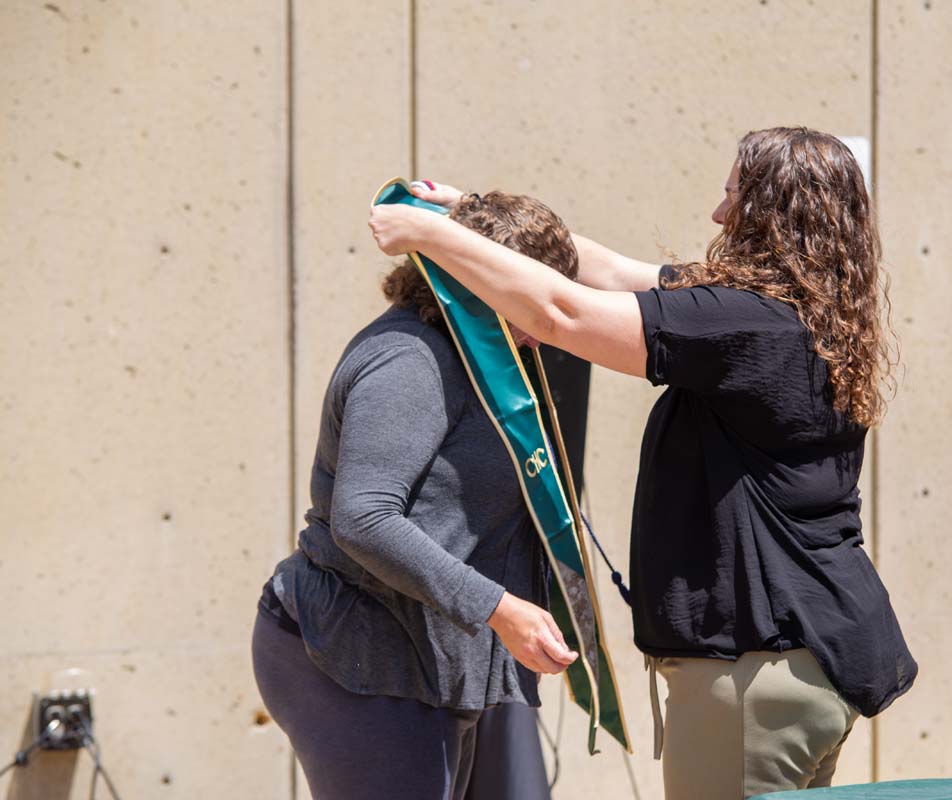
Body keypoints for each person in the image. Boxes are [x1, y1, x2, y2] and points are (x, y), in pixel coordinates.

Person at [368, 126, 918, 798]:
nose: (719, 214)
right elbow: (611, 272)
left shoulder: (746, 324)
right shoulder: (800, 312)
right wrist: (464, 207)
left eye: (733, 195)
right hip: (809, 660)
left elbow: (562, 314)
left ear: (774, 212)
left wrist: (430, 238)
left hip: (752, 673)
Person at [252, 191, 582, 800]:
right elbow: (364, 517)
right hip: (358, 653)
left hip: (424, 656)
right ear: (475, 283)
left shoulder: (477, 355)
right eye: (533, 297)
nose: (550, 321)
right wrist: (500, 609)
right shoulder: (409, 359)